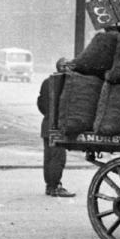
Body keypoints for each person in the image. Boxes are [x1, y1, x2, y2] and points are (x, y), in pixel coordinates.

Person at [35, 58, 75, 197]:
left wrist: (49, 115)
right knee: (58, 158)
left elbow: (40, 103)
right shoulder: (64, 83)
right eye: (66, 66)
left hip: (47, 125)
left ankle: (50, 186)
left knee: (49, 158)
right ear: (61, 67)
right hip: (56, 127)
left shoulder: (47, 82)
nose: (68, 68)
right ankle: (55, 186)